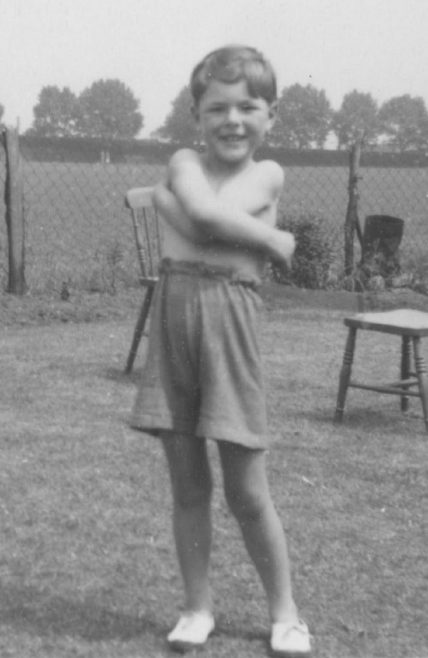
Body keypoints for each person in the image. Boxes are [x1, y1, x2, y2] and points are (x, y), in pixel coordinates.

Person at [130, 45, 311, 657]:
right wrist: (275, 238)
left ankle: (286, 613)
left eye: (248, 107)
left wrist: (166, 202)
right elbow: (208, 220)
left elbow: (201, 221)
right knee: (187, 484)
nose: (233, 120)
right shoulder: (184, 158)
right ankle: (196, 607)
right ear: (195, 114)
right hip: (175, 319)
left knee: (245, 489)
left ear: (271, 116)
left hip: (230, 322)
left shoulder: (268, 173)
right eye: (217, 108)